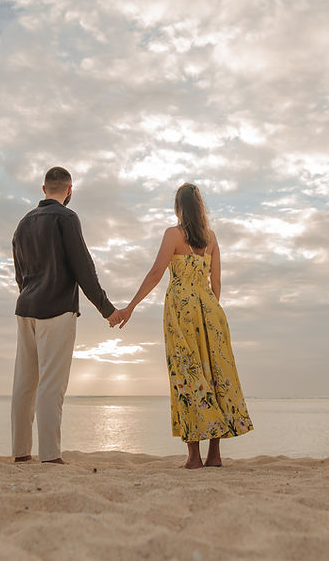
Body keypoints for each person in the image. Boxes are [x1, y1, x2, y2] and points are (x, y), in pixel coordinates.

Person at [112, 183, 252, 468]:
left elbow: (155, 273)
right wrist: (209, 309)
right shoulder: (211, 238)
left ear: (178, 207)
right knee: (215, 375)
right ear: (200, 208)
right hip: (212, 311)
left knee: (187, 375)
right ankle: (215, 455)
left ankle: (194, 458)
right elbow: (217, 283)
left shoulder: (173, 234)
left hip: (181, 311)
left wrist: (131, 306)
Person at [11, 166, 126, 464]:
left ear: (43, 188)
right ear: (69, 189)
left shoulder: (23, 224)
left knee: (24, 382)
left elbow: (19, 274)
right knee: (51, 384)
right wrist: (107, 309)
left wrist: (29, 293)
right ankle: (50, 455)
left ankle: (21, 453)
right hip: (56, 309)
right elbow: (83, 268)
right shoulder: (66, 218)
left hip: (26, 308)